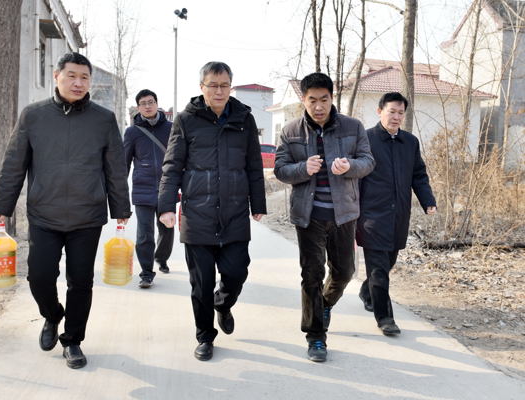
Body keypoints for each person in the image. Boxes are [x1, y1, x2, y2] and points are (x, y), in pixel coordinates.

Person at [0, 52, 131, 369]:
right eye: (72, 76)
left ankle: (73, 341)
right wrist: (3, 204)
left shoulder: (103, 119)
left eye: (84, 77)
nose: (78, 83)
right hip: (44, 213)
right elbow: (14, 163)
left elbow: (115, 168)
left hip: (87, 215)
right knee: (39, 277)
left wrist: (120, 206)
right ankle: (53, 315)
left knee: (80, 282)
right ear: (57, 76)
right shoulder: (33, 116)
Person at [157, 61, 266, 361]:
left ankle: (223, 304)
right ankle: (205, 336)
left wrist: (258, 203)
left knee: (237, 272)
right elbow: (172, 165)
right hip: (197, 214)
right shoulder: (186, 120)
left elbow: (254, 164)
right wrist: (166, 206)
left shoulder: (244, 118)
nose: (219, 91)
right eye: (213, 85)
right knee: (201, 283)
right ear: (201, 87)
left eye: (224, 85)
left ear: (231, 87)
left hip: (234, 212)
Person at [274, 72, 375, 363]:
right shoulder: (291, 131)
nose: (318, 106)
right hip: (309, 216)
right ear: (303, 101)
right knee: (312, 275)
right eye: (312, 100)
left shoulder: (353, 127)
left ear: (332, 99)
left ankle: (324, 304)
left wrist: (349, 166)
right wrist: (303, 168)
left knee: (344, 272)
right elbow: (280, 169)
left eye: (324, 100)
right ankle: (315, 336)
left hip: (344, 214)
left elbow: (368, 162)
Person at [356, 92, 436, 336]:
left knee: (387, 263)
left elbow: (418, 175)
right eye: (392, 111)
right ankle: (385, 318)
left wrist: (428, 200)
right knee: (379, 269)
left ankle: (367, 291)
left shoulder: (410, 142)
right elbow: (356, 178)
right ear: (380, 111)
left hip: (399, 215)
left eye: (401, 113)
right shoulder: (366, 139)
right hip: (371, 216)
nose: (396, 117)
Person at [123, 89, 174, 289]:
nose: (147, 106)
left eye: (150, 102)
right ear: (138, 107)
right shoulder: (132, 132)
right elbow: (125, 163)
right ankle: (146, 272)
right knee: (144, 233)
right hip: (142, 188)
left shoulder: (171, 128)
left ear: (157, 104)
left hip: (166, 188)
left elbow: (179, 157)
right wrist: (120, 191)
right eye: (143, 103)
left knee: (166, 230)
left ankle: (161, 257)